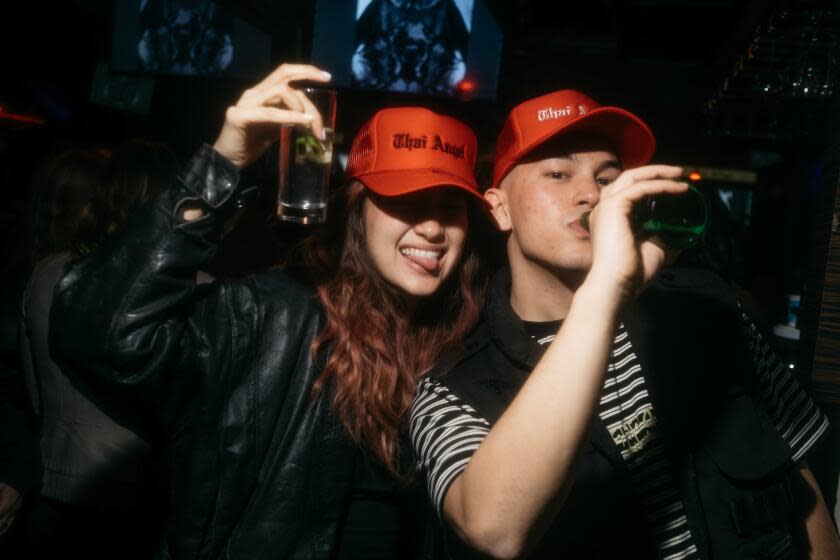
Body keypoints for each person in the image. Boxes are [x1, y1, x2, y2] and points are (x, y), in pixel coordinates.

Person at [49, 63, 489, 559]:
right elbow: (96, 334)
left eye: (450, 206)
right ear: (356, 211)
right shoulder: (273, 316)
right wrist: (220, 164)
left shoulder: (468, 339)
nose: (432, 228)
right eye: (405, 199)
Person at [410, 89, 840, 559]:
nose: (591, 194)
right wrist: (605, 291)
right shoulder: (452, 384)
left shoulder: (709, 306)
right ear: (498, 207)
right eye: (558, 173)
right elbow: (494, 529)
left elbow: (800, 478)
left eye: (608, 177)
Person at [21, 143, 176, 559]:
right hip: (139, 507)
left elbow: (33, 393)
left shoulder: (49, 273)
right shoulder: (191, 289)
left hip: (54, 490)